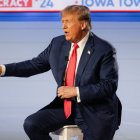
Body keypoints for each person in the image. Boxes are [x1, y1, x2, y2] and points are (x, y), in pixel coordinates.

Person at [0, 5, 122, 140]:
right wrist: (3, 69)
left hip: (96, 111)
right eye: (62, 22)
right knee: (32, 124)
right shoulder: (57, 43)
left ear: (83, 24)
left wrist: (76, 91)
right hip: (67, 108)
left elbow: (109, 86)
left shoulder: (104, 49)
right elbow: (34, 64)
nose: (64, 26)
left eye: (68, 21)